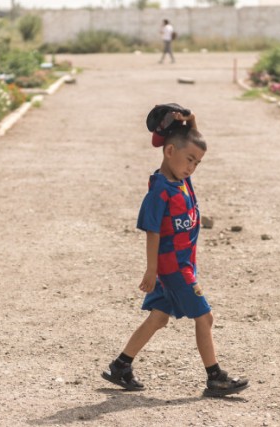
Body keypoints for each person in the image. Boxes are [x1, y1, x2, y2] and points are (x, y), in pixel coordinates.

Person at [101, 104, 249, 397]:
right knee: (204, 318)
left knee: (158, 318)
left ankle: (121, 365)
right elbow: (152, 232)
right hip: (173, 269)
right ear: (169, 152)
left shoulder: (180, 179)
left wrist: (190, 119)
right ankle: (215, 377)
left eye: (197, 162)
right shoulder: (160, 191)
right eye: (189, 159)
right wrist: (151, 270)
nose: (192, 166)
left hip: (181, 265)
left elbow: (190, 140)